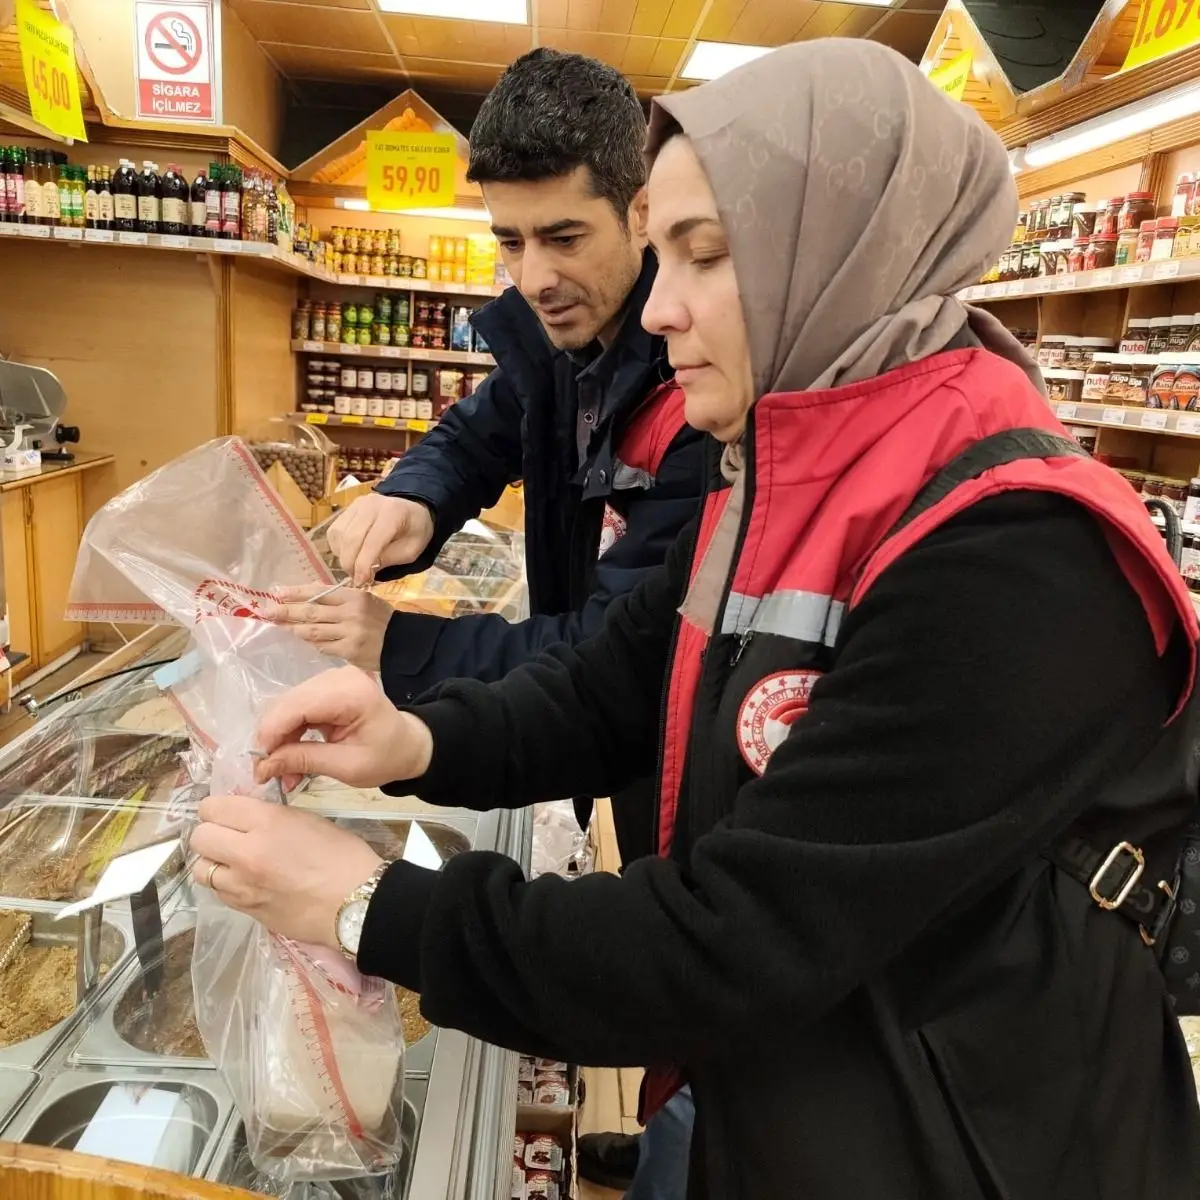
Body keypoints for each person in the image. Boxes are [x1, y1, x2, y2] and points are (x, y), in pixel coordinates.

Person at [192, 39, 1200, 1197]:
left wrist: (370, 907)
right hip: (805, 1098)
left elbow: (738, 938)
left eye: (706, 254)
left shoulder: (1015, 552)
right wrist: (416, 738)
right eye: (660, 250)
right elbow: (615, 682)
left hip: (969, 1147)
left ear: (844, 251)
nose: (660, 308)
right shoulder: (784, 460)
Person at [269, 48, 702, 1194]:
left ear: (641, 210)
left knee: (690, 941)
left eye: (563, 236)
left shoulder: (702, 376)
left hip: (682, 741)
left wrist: (398, 648)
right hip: (610, 718)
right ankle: (663, 1108)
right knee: (666, 944)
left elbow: (620, 654)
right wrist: (412, 497)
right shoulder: (559, 334)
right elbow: (482, 428)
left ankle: (681, 1123)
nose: (533, 275)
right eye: (509, 240)